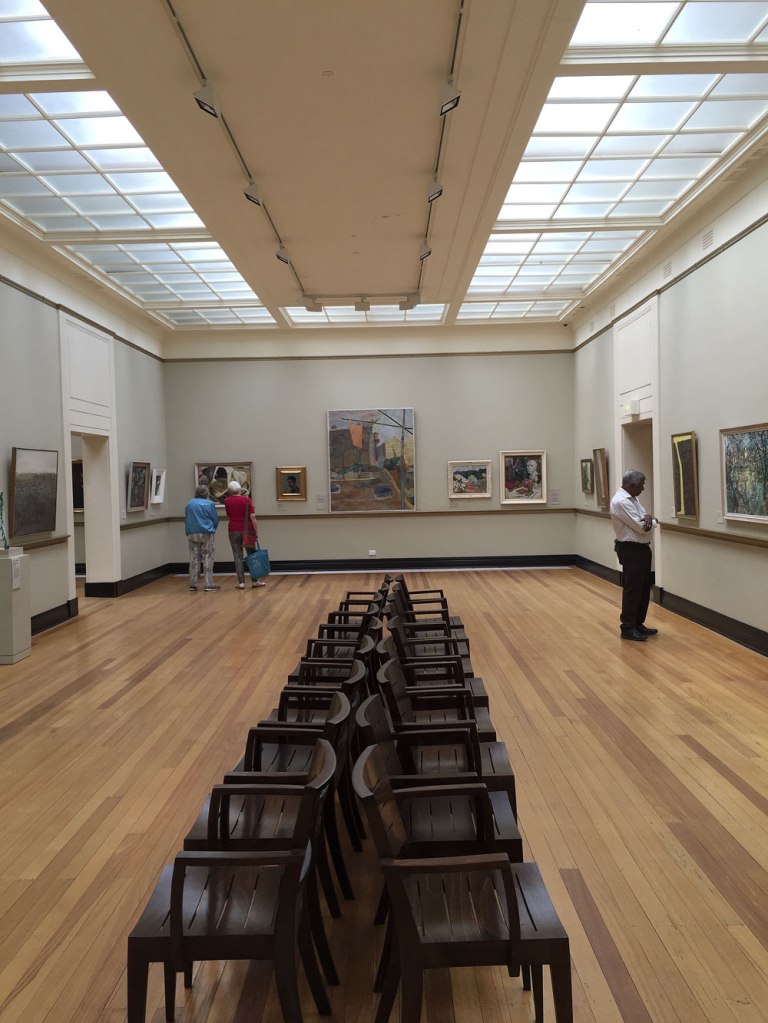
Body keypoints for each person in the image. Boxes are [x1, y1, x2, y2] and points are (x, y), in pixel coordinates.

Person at [610, 469, 658, 641]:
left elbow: (646, 519)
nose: (643, 488)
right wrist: (652, 520)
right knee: (633, 588)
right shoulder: (621, 502)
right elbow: (642, 526)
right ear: (631, 485)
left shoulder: (633, 499)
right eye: (641, 485)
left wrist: (649, 518)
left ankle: (638, 623)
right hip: (631, 549)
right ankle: (628, 627)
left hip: (641, 549)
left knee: (644, 587)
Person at [223, 480, 265, 588]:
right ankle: (255, 580)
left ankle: (241, 582)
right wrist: (256, 531)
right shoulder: (247, 500)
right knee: (252, 554)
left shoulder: (227, 501)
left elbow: (229, 515)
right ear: (239, 490)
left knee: (237, 556)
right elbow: (252, 516)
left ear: (230, 491)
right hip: (247, 529)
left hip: (233, 529)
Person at [184, 484, 219, 592]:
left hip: (192, 533)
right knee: (208, 557)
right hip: (206, 532)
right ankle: (209, 583)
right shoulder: (209, 504)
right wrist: (212, 528)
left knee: (194, 558)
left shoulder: (189, 504)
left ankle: (193, 584)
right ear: (206, 493)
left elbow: (186, 518)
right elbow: (215, 519)